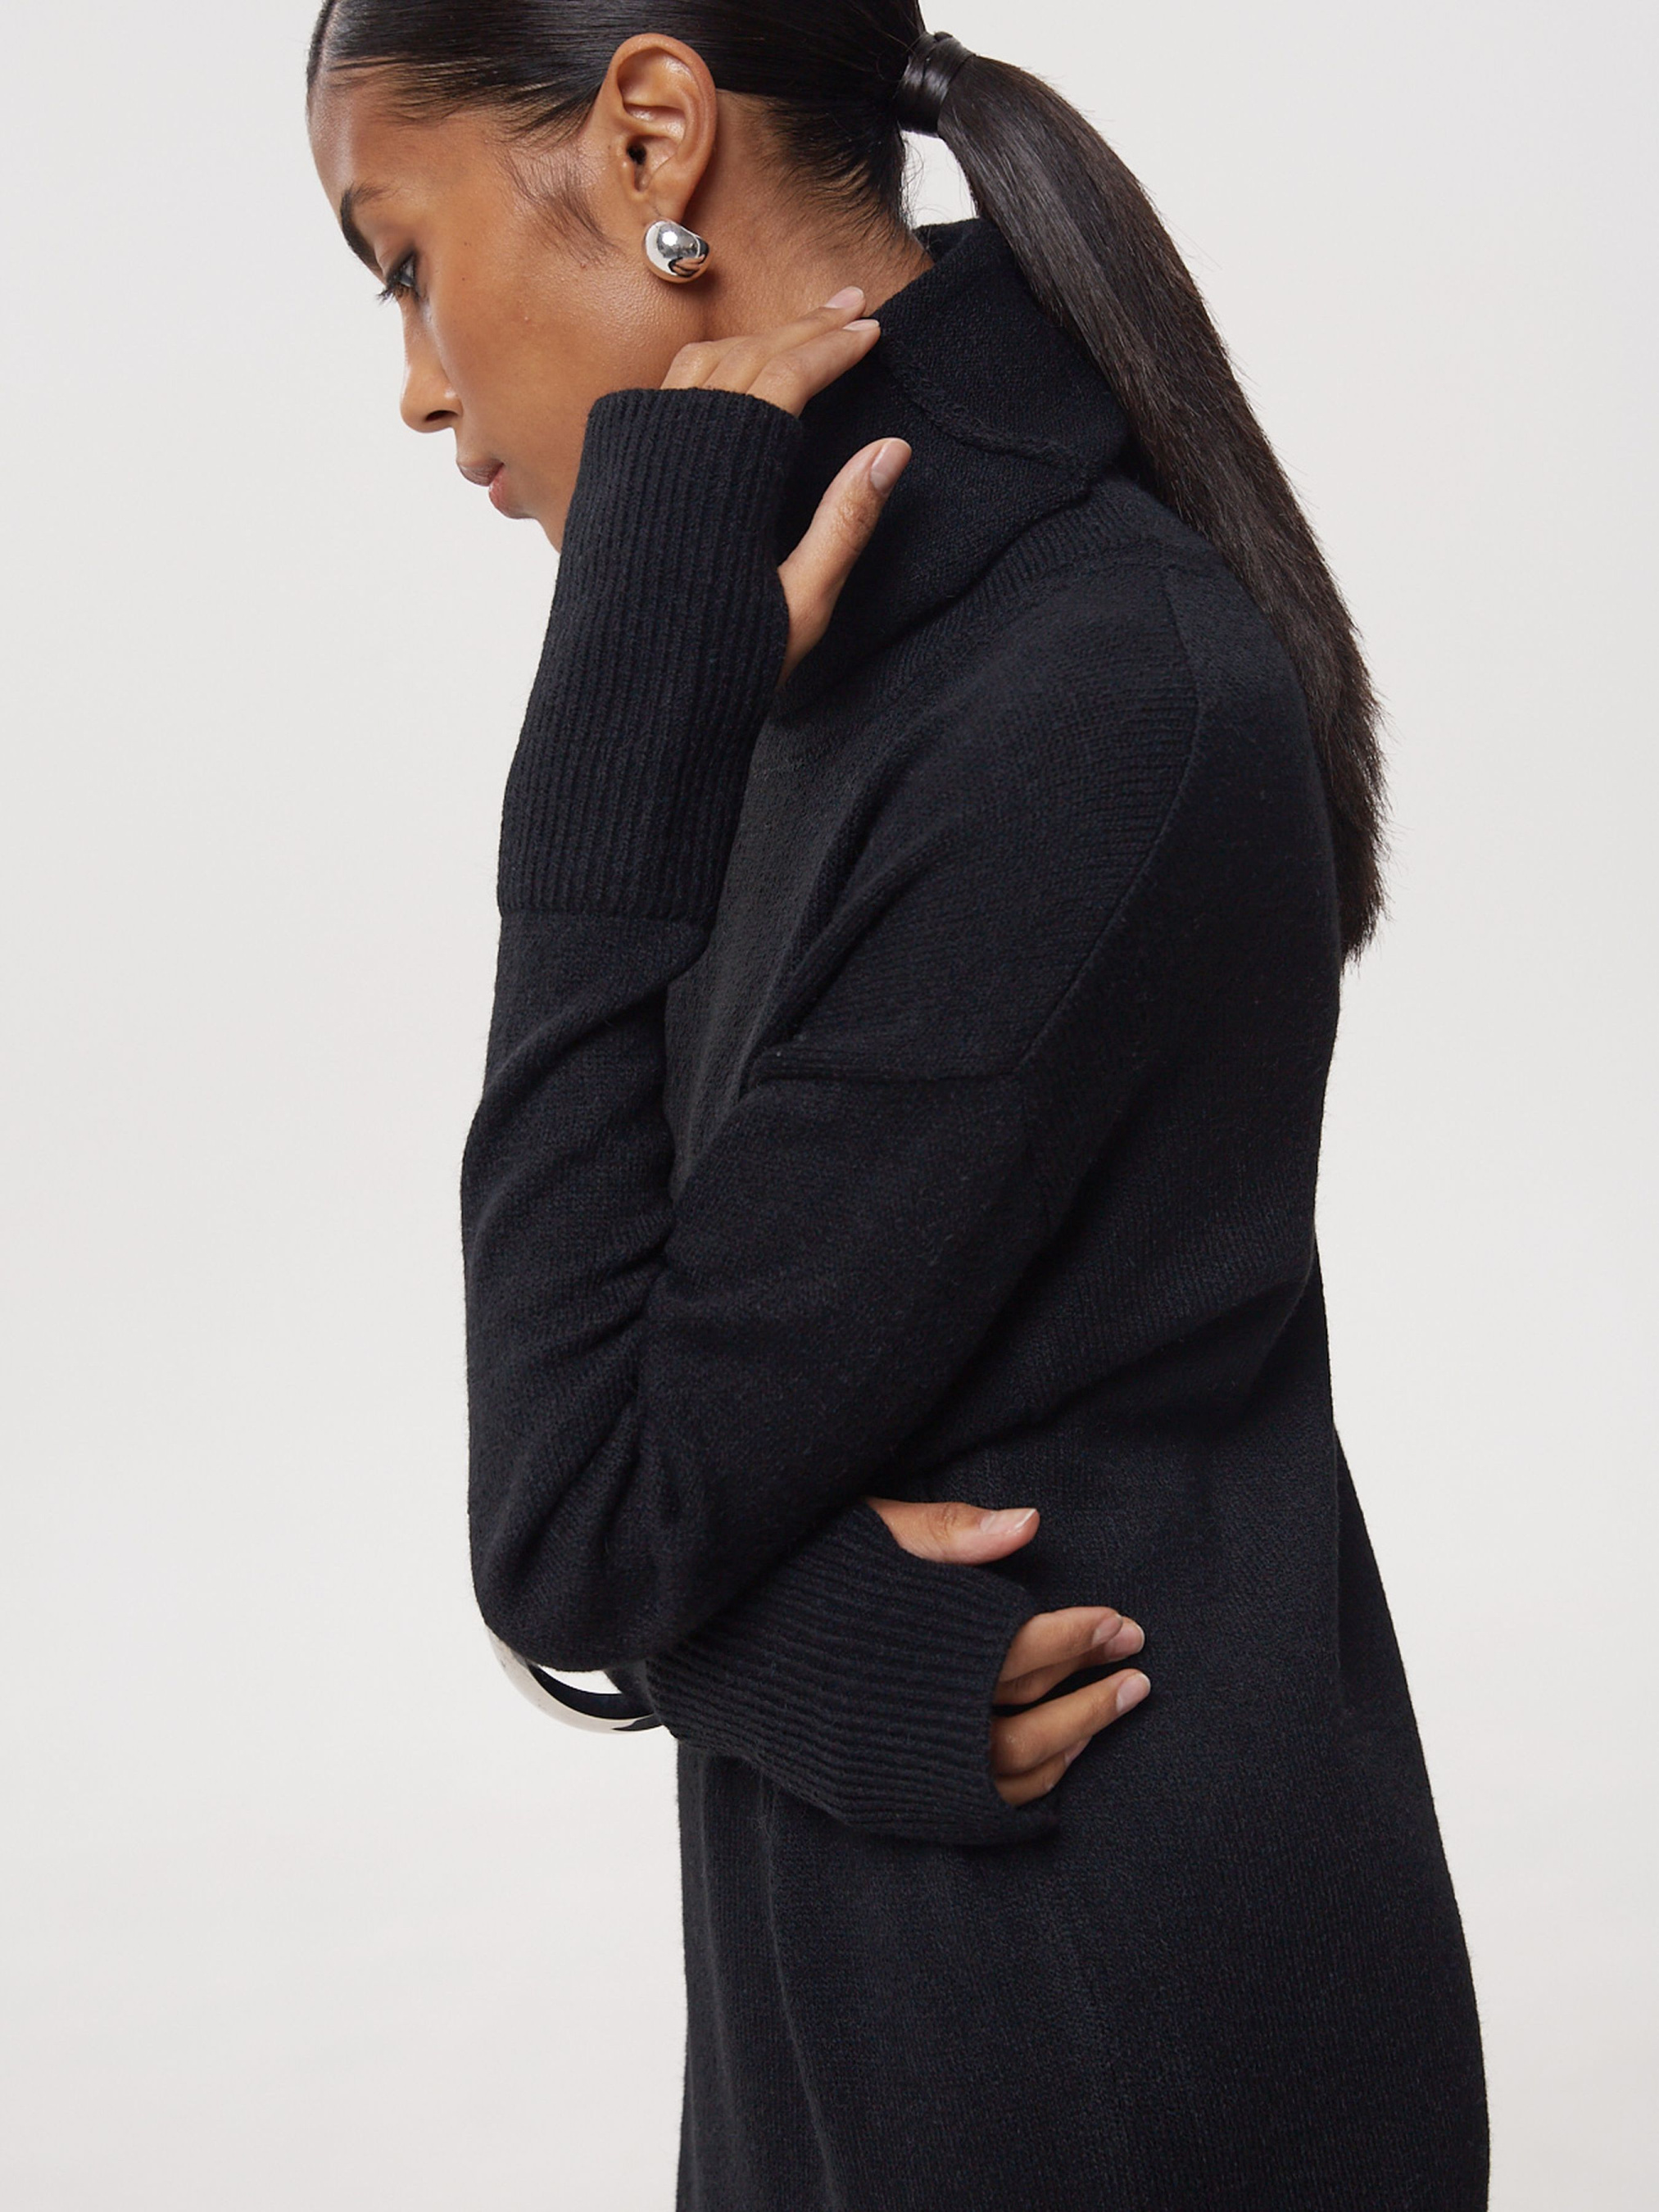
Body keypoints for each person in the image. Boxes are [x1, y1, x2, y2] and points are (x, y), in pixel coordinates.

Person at [306, 5, 1489, 2204]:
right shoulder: (807, 649)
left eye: (402, 262)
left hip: (1108, 2040)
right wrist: (777, 1649)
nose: (418, 385)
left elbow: (575, 1524)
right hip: (894, 1982)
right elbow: (618, 1483)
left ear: (654, 133)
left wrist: (610, 747)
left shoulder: (1075, 692)